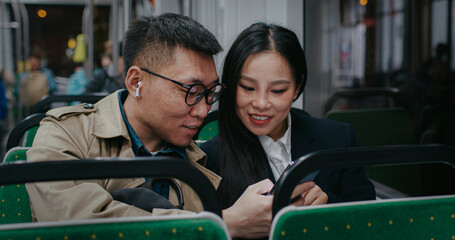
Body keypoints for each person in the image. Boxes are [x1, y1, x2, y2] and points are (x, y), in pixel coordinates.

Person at [25, 14, 312, 239]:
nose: (203, 110)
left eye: (211, 93)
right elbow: (79, 225)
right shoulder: (65, 135)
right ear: (137, 82)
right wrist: (220, 224)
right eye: (191, 90)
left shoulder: (204, 163)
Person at [201, 22, 376, 233]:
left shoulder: (338, 138)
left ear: (297, 88)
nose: (261, 103)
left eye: (277, 90)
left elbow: (369, 223)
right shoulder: (209, 159)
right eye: (248, 87)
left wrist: (328, 206)